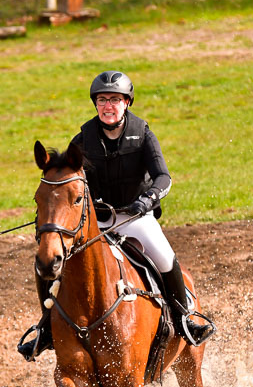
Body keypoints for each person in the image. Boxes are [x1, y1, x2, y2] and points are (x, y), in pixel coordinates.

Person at [18, 70, 215, 361]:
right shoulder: (83, 139)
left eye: (114, 100)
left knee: (164, 258)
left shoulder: (143, 133)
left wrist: (147, 200)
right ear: (95, 104)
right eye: (102, 100)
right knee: (49, 263)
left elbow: (163, 177)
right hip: (99, 222)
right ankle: (46, 327)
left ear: (126, 103)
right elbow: (69, 182)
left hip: (137, 218)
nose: (107, 106)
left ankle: (185, 318)